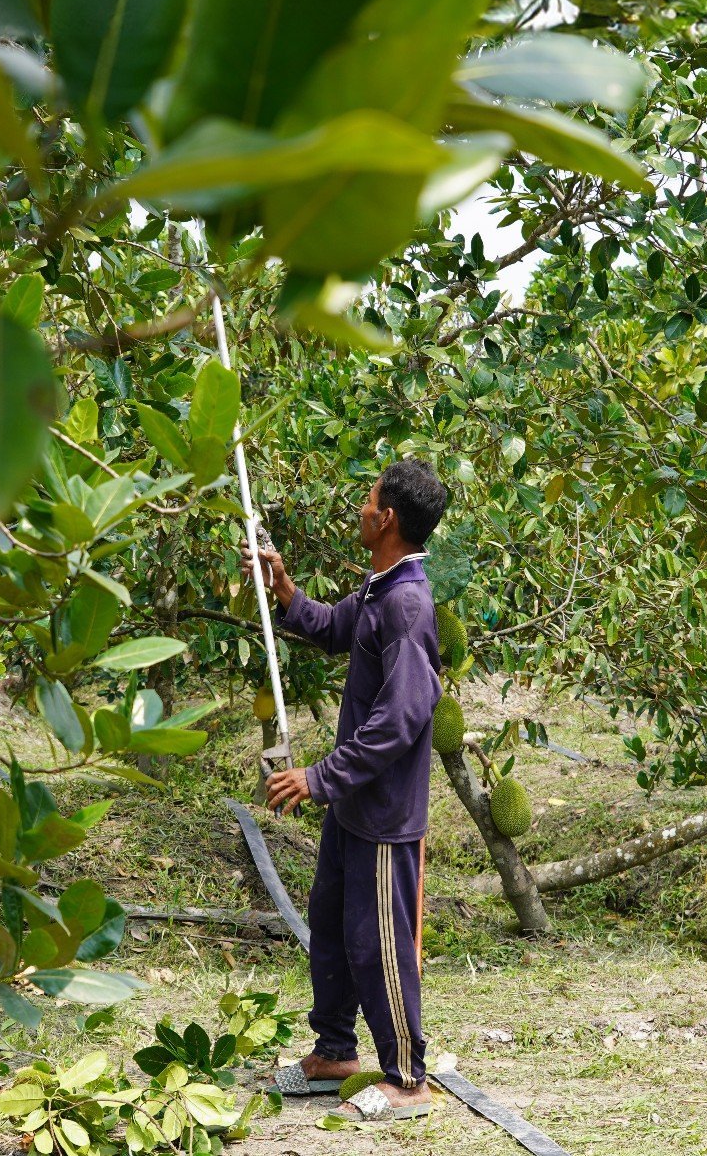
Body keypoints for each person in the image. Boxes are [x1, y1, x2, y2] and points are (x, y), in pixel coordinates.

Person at [247, 459, 449, 1125]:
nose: (360, 509)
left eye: (367, 500)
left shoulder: (410, 605)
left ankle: (408, 1076)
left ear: (387, 517)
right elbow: (332, 628)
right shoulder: (380, 590)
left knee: (379, 943)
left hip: (384, 815)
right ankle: (334, 1049)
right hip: (351, 807)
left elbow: (400, 719)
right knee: (332, 926)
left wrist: (317, 776)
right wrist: (284, 592)